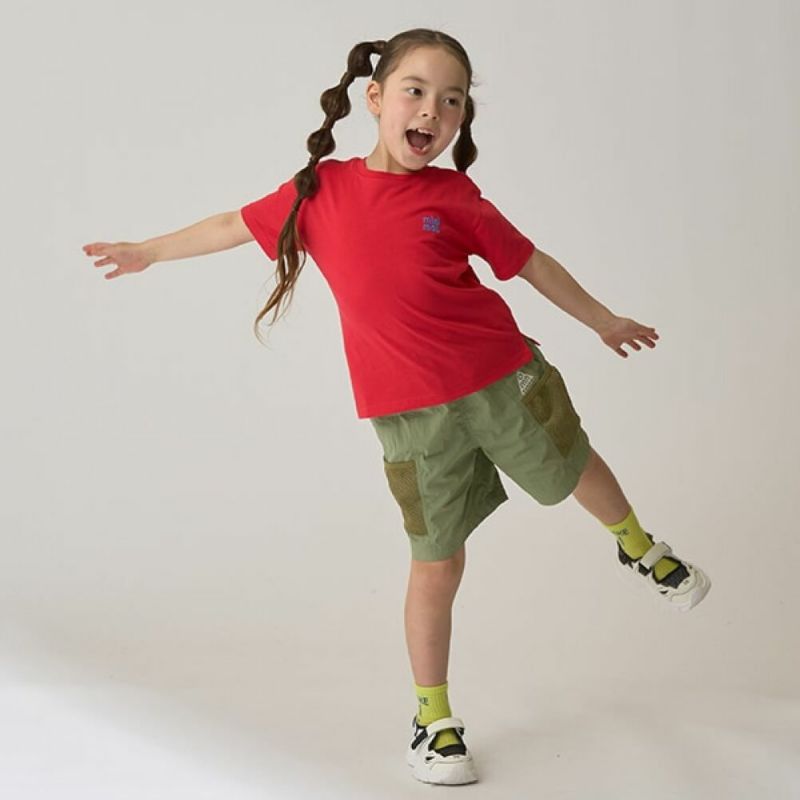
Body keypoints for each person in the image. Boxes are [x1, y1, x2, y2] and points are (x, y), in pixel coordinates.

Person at [82, 27, 711, 787]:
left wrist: (603, 320)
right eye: (416, 92)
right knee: (436, 563)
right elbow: (230, 225)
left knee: (574, 465)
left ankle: (639, 547)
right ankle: (433, 720)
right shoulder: (321, 193)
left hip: (502, 377)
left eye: (452, 102)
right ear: (376, 98)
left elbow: (530, 263)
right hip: (411, 419)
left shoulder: (455, 198)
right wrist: (148, 251)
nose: (432, 112)